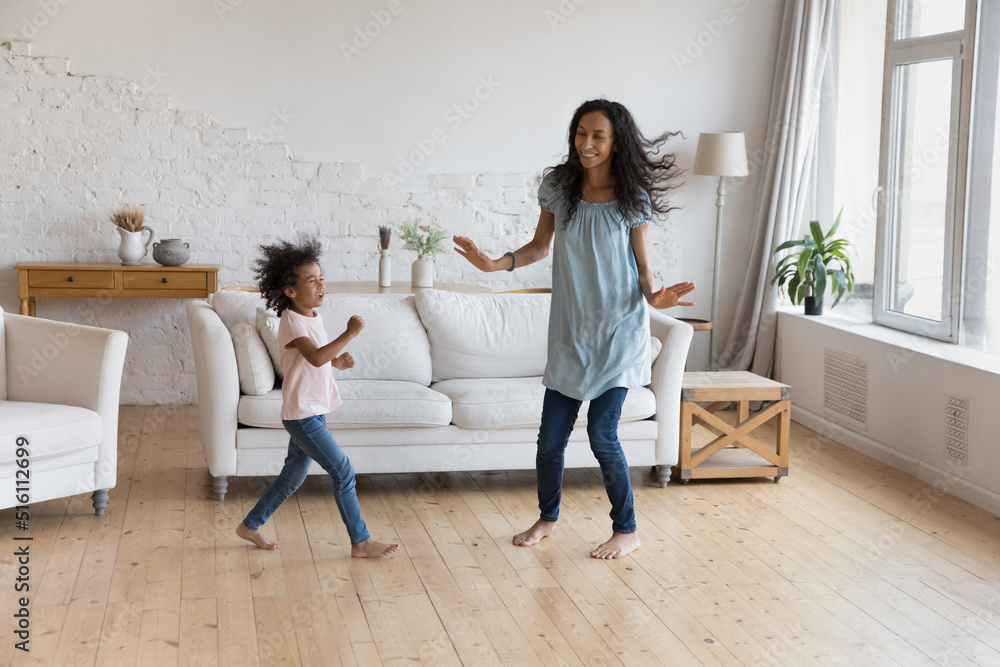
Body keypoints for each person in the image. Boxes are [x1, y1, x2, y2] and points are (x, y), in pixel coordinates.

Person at [454, 99, 695, 559]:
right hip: (571, 335)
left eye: (597, 136)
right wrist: (494, 264)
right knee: (549, 441)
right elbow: (538, 247)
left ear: (616, 142)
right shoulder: (560, 188)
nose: (585, 144)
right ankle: (547, 518)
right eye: (580, 134)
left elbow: (644, 271)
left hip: (620, 334)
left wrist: (655, 297)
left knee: (603, 435)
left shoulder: (632, 199)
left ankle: (627, 530)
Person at [236, 235, 399, 559]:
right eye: (312, 281)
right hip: (302, 415)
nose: (321, 285)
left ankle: (250, 525)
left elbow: (314, 360)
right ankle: (360, 542)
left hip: (313, 409)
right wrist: (349, 334)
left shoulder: (311, 316)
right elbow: (313, 357)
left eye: (321, 278)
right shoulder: (291, 321)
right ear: (291, 291)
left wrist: (336, 361)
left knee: (292, 478)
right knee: (343, 471)